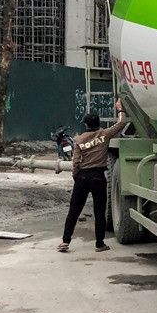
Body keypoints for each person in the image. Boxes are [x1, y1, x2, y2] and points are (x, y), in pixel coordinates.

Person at [58, 98, 126, 253]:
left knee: (74, 210)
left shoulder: (79, 139)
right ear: (99, 123)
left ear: (86, 125)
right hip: (98, 177)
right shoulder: (105, 134)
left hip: (82, 177)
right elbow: (121, 123)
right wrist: (120, 109)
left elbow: (76, 161)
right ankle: (99, 244)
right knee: (99, 212)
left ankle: (65, 241)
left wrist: (76, 176)